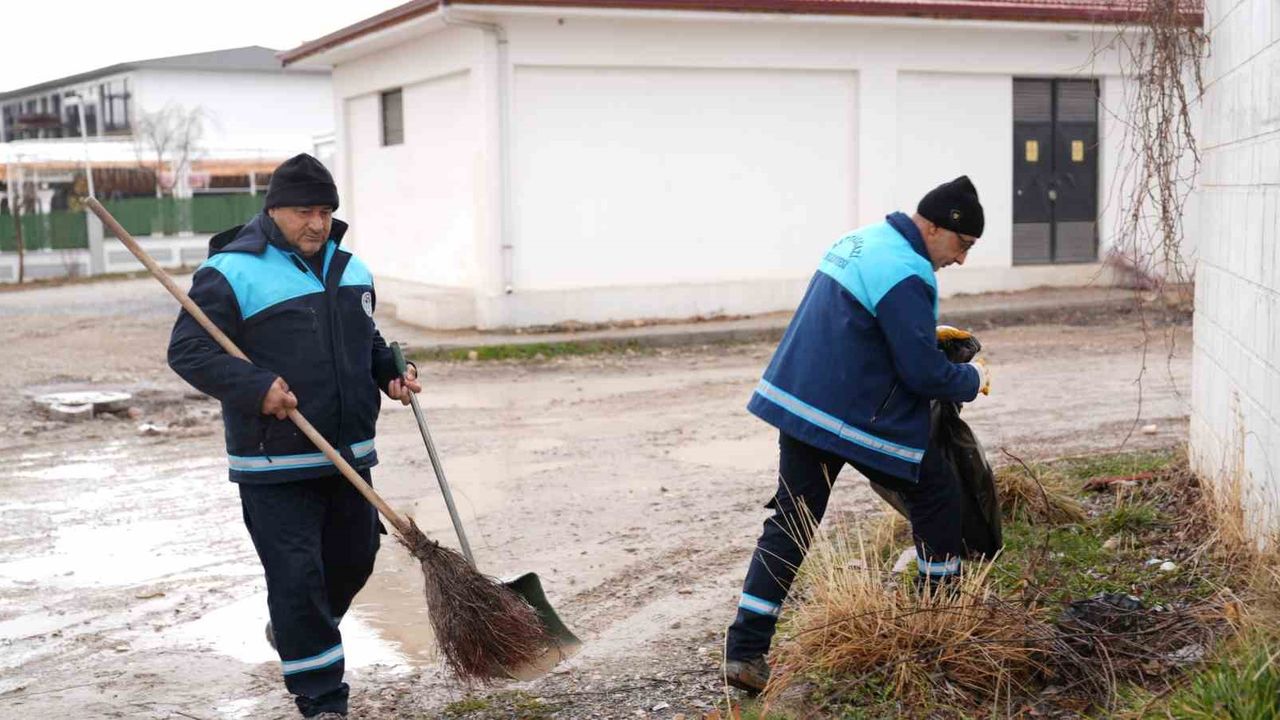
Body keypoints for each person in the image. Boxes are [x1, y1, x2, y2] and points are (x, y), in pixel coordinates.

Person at [167, 154, 421, 718]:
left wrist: (389, 370)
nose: (317, 223)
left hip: (349, 456)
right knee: (298, 579)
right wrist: (255, 388)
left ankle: (293, 629)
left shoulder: (352, 269)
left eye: (325, 211)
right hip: (274, 462)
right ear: (274, 210)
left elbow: (365, 340)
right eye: (304, 211)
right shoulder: (230, 272)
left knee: (356, 560)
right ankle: (323, 699)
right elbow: (188, 351)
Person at [722, 176, 993, 694]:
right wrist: (971, 378)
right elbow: (922, 375)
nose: (961, 259)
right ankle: (939, 627)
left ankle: (745, 651)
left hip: (800, 403)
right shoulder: (909, 271)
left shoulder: (861, 241)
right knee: (938, 492)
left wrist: (920, 335)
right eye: (963, 244)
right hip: (852, 415)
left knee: (792, 521)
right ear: (935, 228)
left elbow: (852, 322)